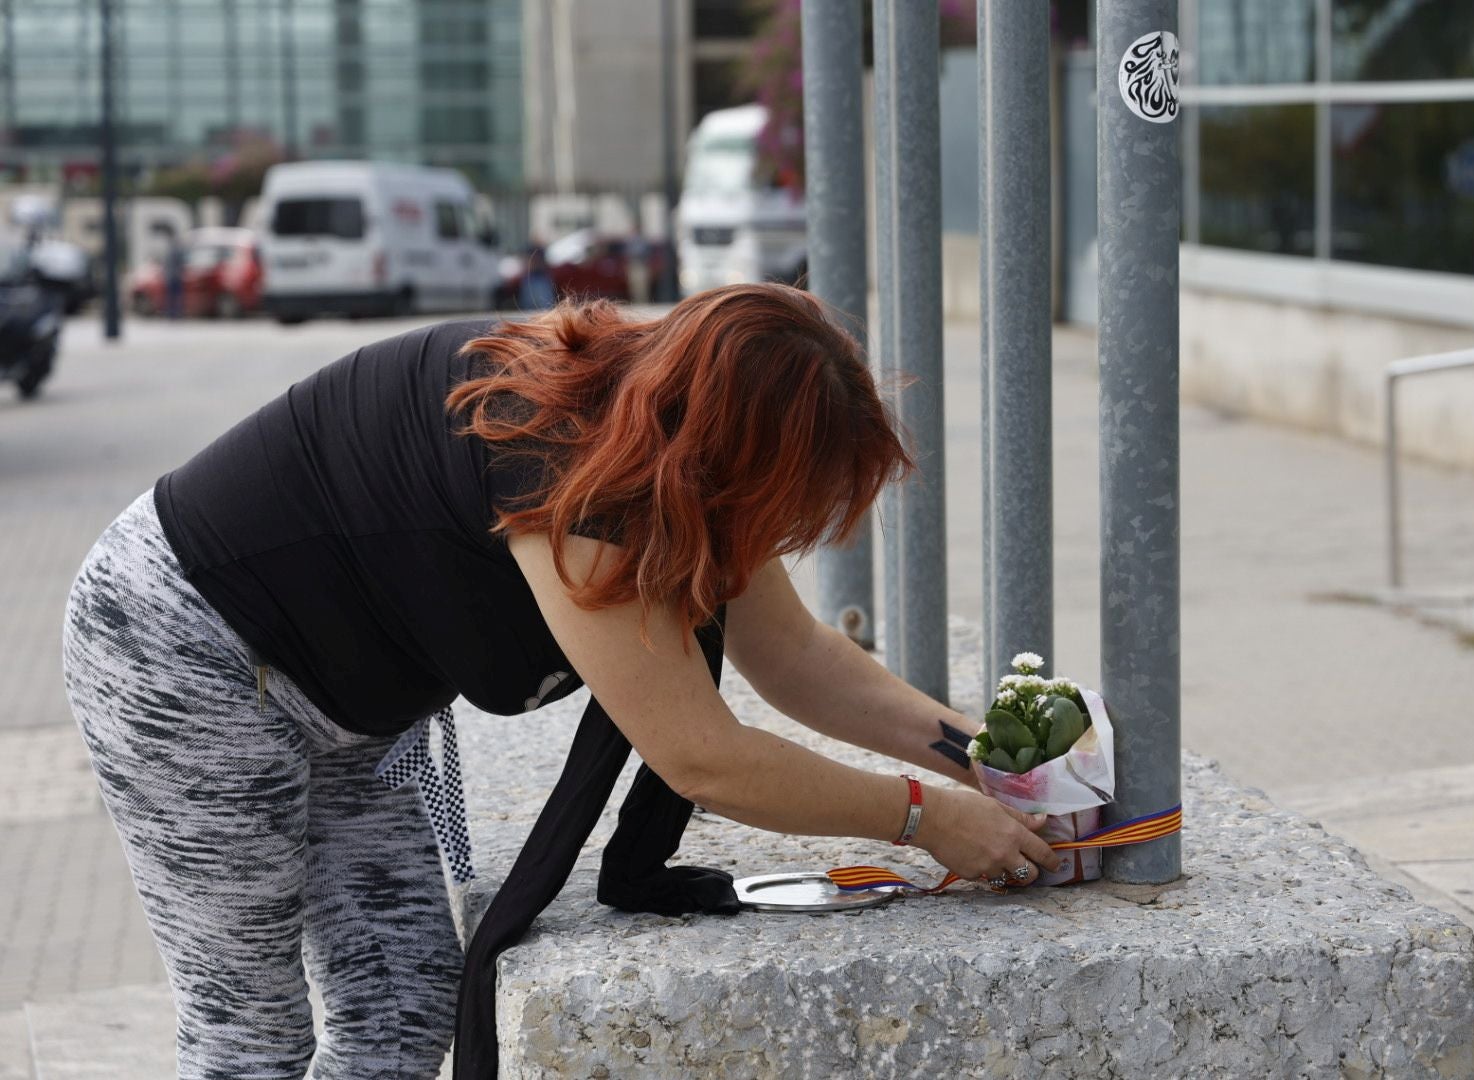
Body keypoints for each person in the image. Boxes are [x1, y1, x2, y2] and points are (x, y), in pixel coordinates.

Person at [61, 283, 1059, 1079]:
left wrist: (982, 762)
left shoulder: (667, 433)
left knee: (404, 1009)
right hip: (181, 653)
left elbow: (793, 659)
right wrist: (927, 818)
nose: (787, 533)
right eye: (786, 504)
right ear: (735, 457)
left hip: (345, 718)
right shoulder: (562, 460)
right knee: (249, 1045)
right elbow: (704, 757)